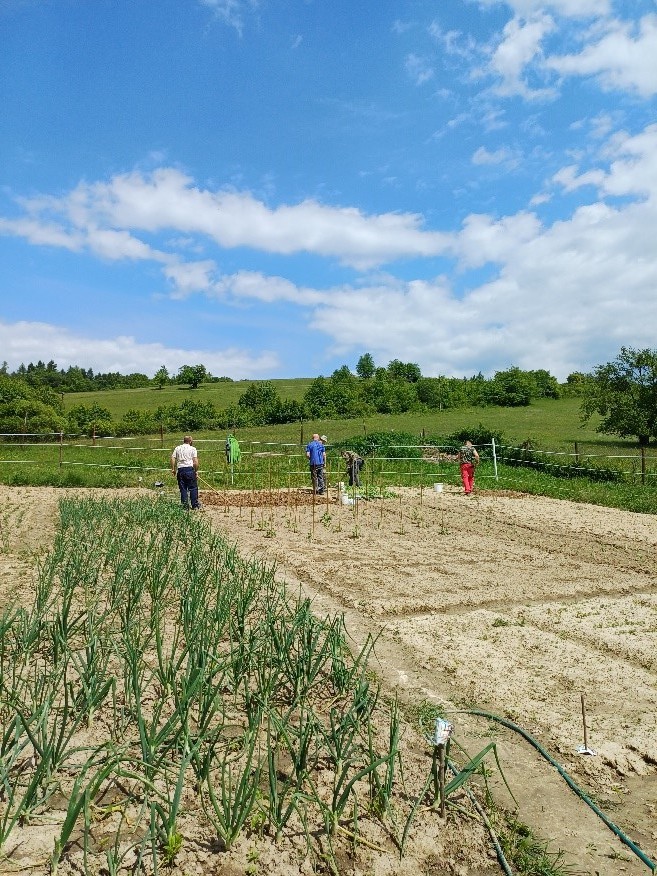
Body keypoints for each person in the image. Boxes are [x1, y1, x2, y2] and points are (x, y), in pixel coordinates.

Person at [171, 435, 201, 509]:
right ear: (190, 441)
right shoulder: (192, 449)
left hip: (180, 470)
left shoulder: (178, 448)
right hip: (189, 470)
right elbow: (195, 461)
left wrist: (173, 469)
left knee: (183, 488)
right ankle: (195, 505)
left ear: (184, 441)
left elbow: (173, 458)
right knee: (193, 488)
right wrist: (196, 471)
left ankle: (185, 506)